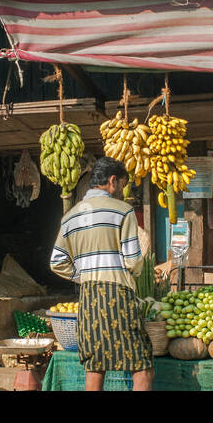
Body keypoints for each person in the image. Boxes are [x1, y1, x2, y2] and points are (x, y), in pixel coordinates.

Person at [49, 157, 153, 391]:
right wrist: (129, 271)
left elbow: (56, 261)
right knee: (142, 364)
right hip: (118, 296)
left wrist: (82, 275)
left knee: (95, 366)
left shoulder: (70, 217)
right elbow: (134, 261)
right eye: (123, 185)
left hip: (88, 298)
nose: (123, 191)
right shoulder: (123, 211)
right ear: (112, 181)